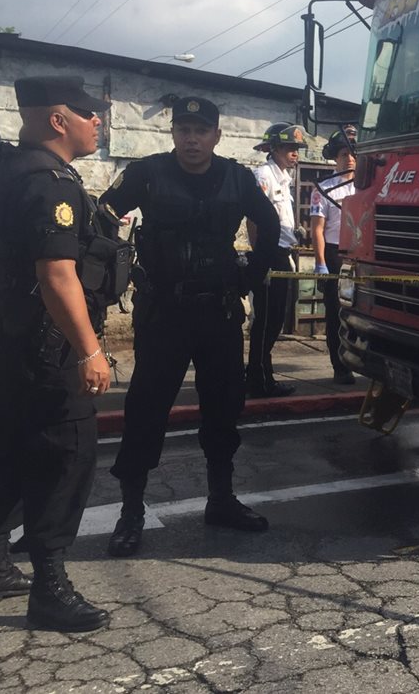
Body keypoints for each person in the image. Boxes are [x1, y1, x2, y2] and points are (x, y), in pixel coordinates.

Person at [0, 75, 123, 632]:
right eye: (89, 114)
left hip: (9, 341)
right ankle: (50, 587)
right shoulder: (52, 183)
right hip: (47, 348)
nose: (98, 122)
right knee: (65, 457)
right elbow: (57, 276)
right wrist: (90, 350)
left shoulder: (12, 170)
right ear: (60, 120)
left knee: (14, 450)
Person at [100, 97, 281, 558]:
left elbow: (269, 220)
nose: (192, 138)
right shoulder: (147, 173)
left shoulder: (238, 178)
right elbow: (102, 217)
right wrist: (112, 274)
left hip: (218, 313)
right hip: (163, 315)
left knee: (223, 407)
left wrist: (250, 277)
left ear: (217, 136)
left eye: (201, 130)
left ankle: (221, 499)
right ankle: (131, 512)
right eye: (183, 129)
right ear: (173, 134)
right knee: (146, 409)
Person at [246, 122, 306, 399]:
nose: (295, 154)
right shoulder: (264, 175)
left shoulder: (282, 177)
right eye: (289, 148)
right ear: (274, 149)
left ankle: (264, 375)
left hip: (284, 255)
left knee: (276, 321)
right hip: (270, 256)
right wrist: (261, 259)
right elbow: (254, 219)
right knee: (266, 321)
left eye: (296, 149)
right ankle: (257, 378)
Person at [309, 126, 356, 385]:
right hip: (335, 252)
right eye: (342, 153)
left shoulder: (368, 185)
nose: (347, 158)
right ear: (334, 158)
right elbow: (317, 228)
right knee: (336, 313)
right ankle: (340, 366)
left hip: (362, 254)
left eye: (351, 153)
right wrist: (320, 263)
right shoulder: (323, 188)